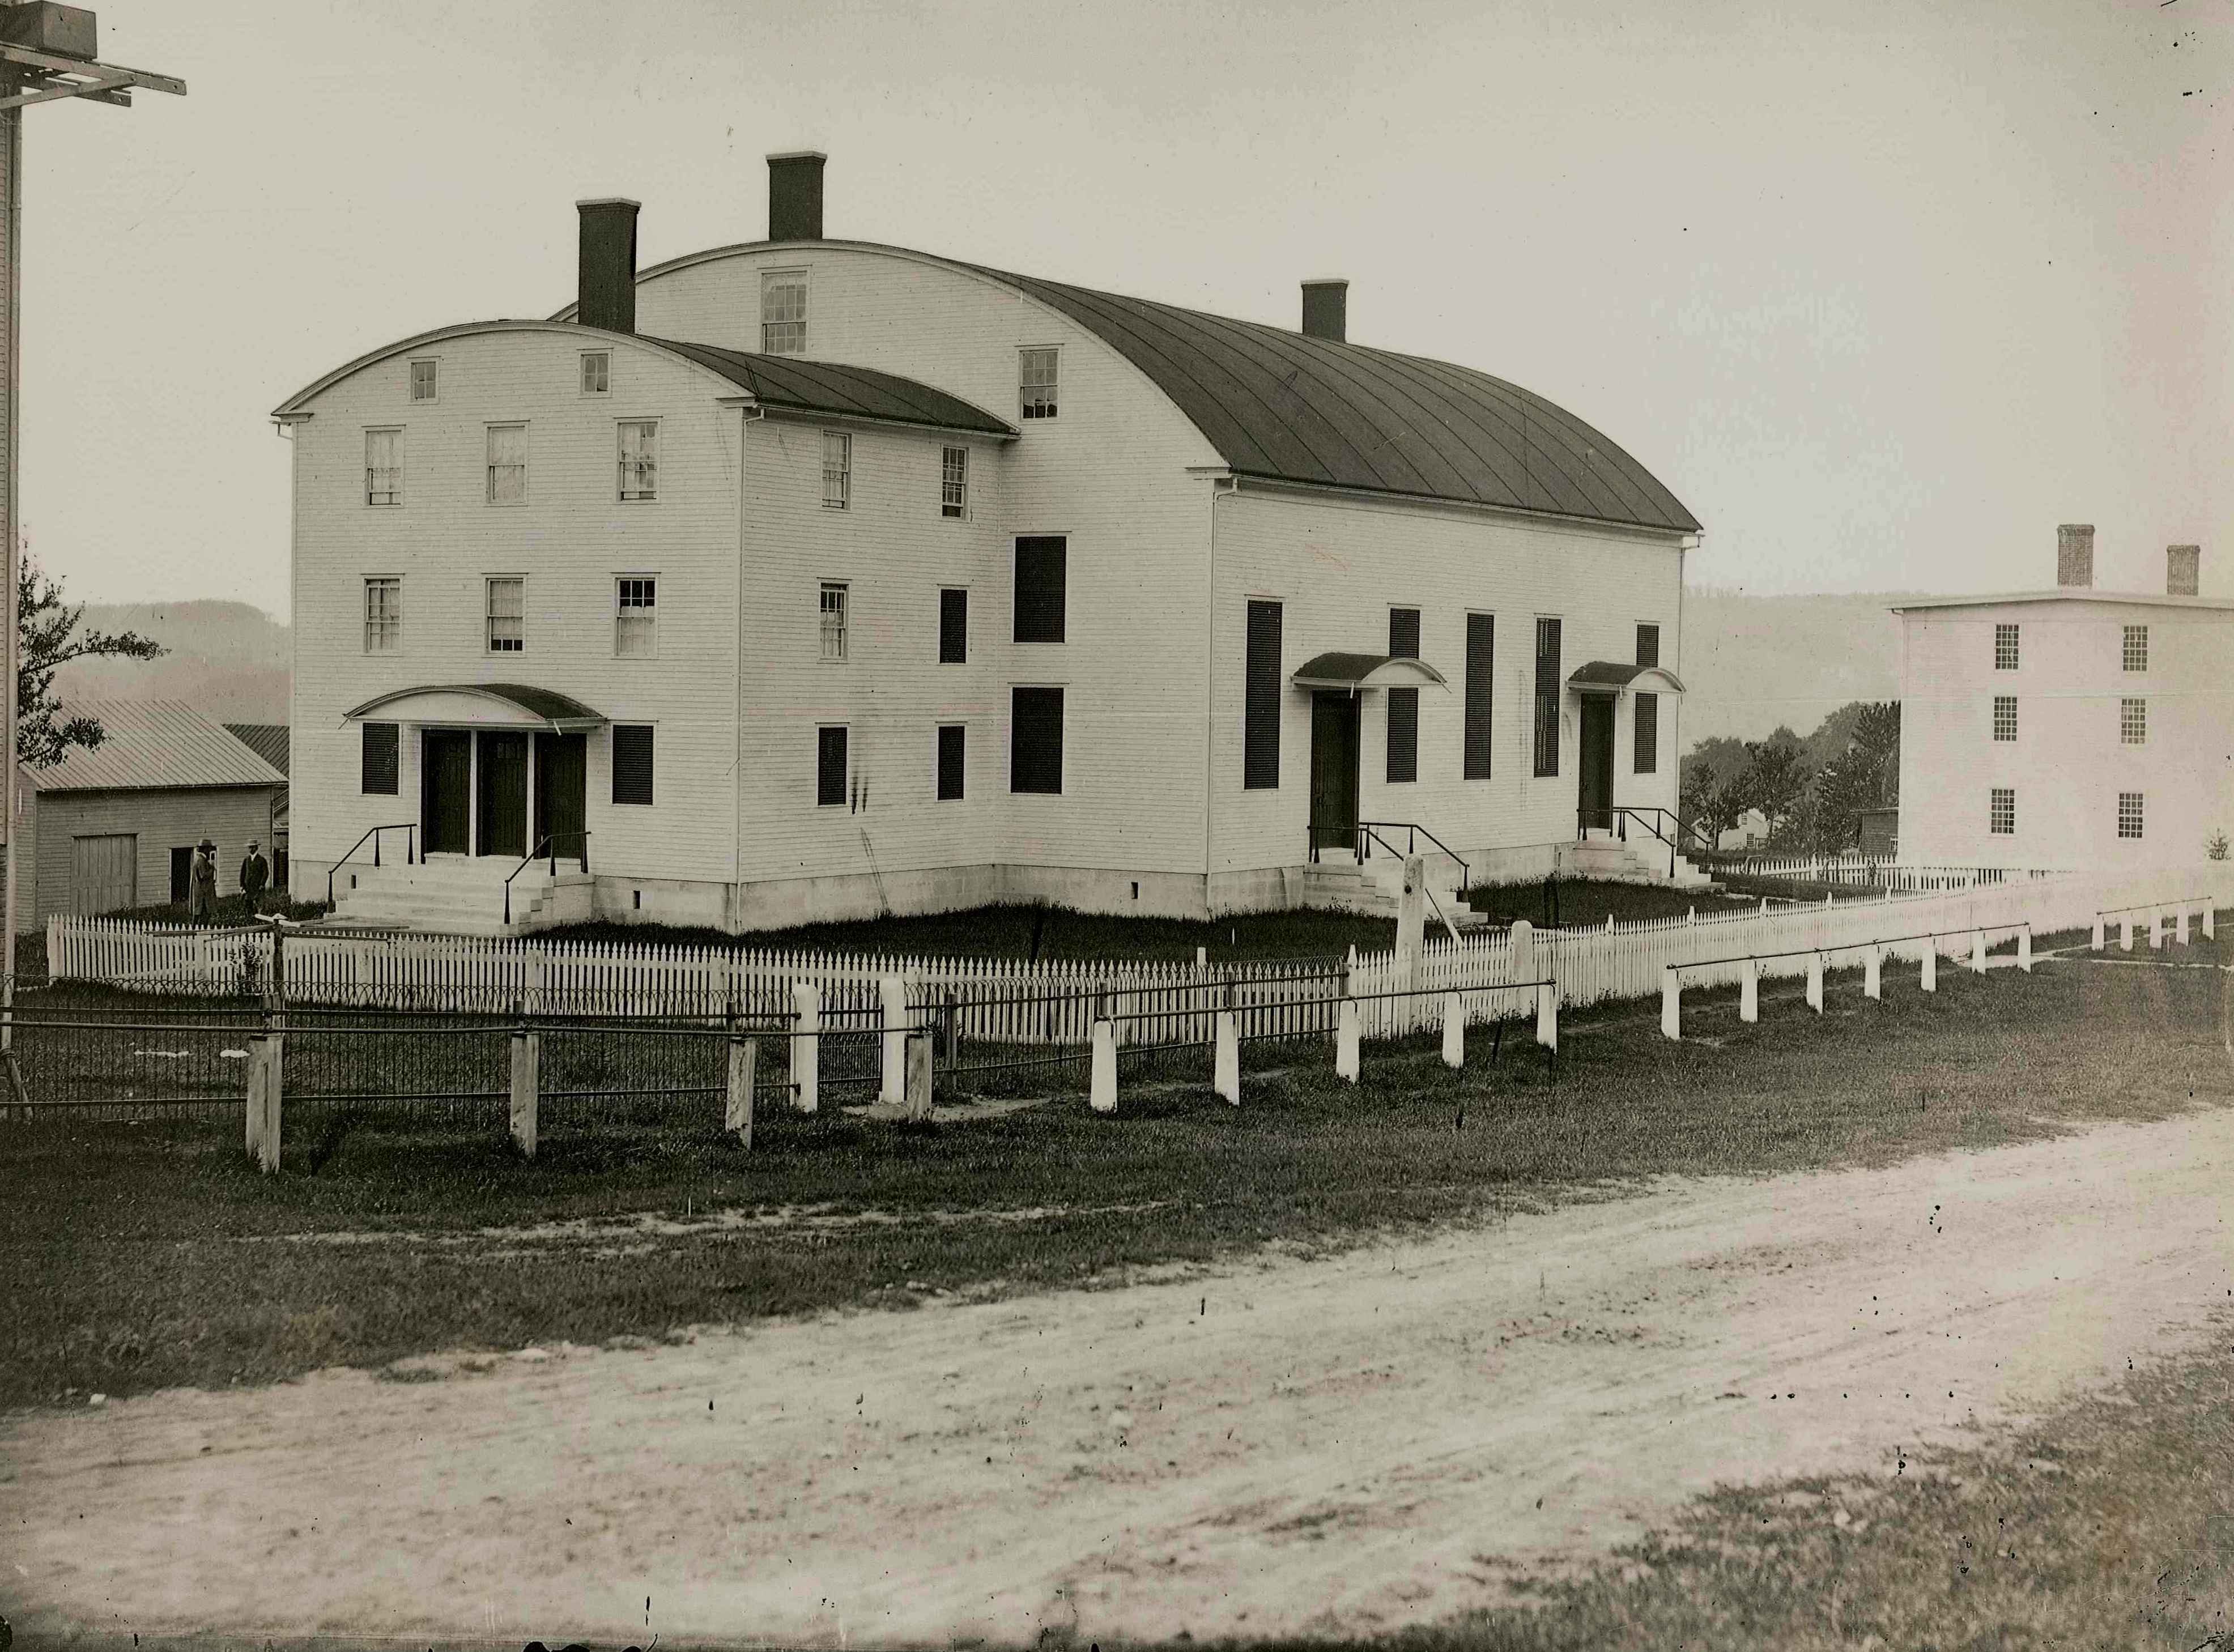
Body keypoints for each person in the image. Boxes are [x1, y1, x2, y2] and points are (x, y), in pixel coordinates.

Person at [189, 838, 219, 925]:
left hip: (201, 892)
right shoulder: (201, 860)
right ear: (204, 849)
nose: (210, 851)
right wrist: (212, 868)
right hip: (203, 893)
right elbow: (203, 875)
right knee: (204, 914)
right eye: (209, 849)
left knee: (199, 914)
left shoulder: (199, 859)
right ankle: (199, 931)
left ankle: (196, 930)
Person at [239, 838, 270, 915]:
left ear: (256, 848)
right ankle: (250, 920)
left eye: (252, 847)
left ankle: (260, 921)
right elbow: (243, 873)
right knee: (248, 905)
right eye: (249, 847)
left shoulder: (261, 860)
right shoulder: (246, 860)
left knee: (260, 905)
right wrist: (242, 885)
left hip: (258, 887)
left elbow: (266, 873)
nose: (250, 849)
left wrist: (262, 884)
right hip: (248, 887)